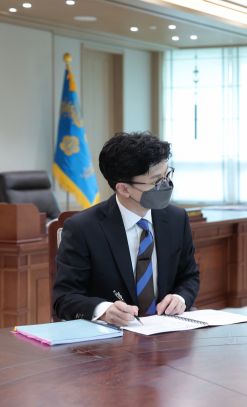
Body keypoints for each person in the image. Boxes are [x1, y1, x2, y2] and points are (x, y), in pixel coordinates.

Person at [53, 132, 200, 327]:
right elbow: (65, 298)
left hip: (167, 331)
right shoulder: (83, 228)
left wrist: (180, 298)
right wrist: (103, 311)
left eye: (167, 175)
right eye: (156, 181)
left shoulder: (176, 218)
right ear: (123, 189)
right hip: (110, 337)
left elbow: (189, 277)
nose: (165, 185)